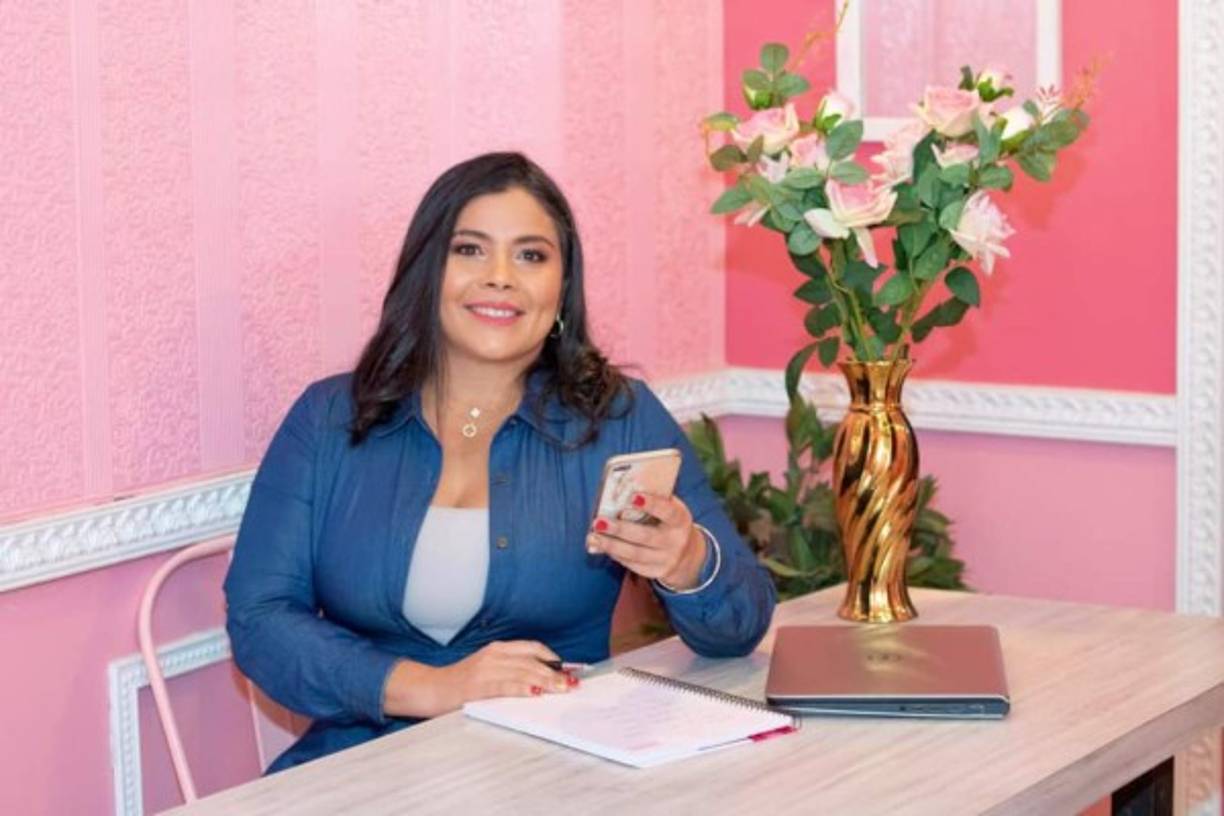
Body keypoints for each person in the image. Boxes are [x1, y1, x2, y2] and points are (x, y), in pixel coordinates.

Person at [224, 152, 776, 771]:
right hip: (361, 765)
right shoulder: (328, 418)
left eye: (531, 256)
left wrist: (688, 561)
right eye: (469, 250)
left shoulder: (618, 416)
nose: (500, 277)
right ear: (427, 272)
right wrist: (432, 688)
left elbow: (739, 627)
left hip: (554, 765)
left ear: (561, 288)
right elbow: (259, 618)